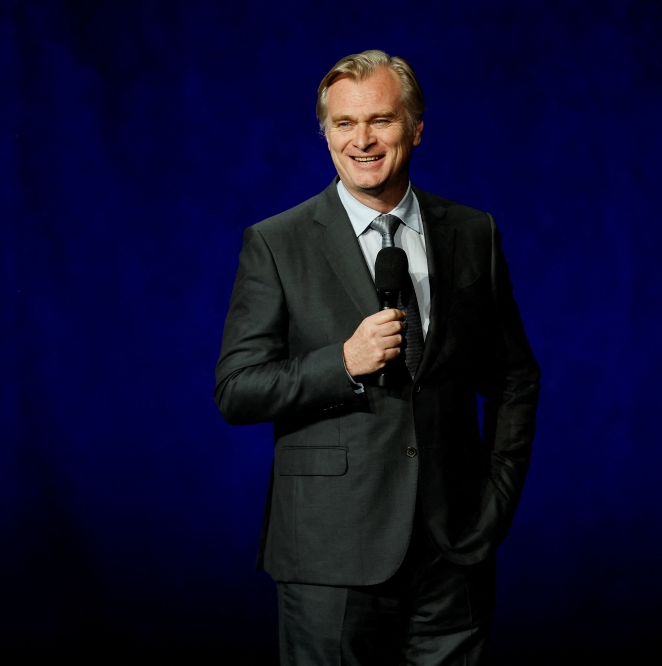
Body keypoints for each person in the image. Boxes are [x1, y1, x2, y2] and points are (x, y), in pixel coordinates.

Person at [214, 50, 540, 665]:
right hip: (329, 556)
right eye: (343, 123)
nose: (361, 140)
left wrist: (495, 500)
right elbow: (237, 389)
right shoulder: (277, 243)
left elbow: (514, 378)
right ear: (326, 134)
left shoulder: (473, 232)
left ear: (415, 128)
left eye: (380, 120)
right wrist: (343, 362)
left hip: (453, 552)